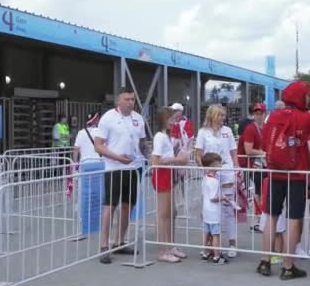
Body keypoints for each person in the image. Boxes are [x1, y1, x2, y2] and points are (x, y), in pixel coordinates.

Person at [257, 81, 310, 280]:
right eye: (307, 95)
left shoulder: (272, 116)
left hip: (275, 171)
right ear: (300, 97)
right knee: (294, 218)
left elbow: (266, 141)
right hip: (296, 174)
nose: (309, 98)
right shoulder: (305, 118)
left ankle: (265, 262)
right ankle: (288, 265)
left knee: (271, 216)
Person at [94, 87, 150, 264]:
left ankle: (120, 241)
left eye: (133, 99)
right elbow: (98, 145)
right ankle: (104, 245)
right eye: (127, 99)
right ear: (119, 100)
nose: (130, 102)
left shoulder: (138, 119)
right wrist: (118, 157)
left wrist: (151, 158)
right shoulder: (108, 118)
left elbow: (142, 143)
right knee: (110, 206)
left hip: (134, 168)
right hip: (114, 168)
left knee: (127, 206)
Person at [195, 105, 239, 257]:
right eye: (219, 115)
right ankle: (209, 245)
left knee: (228, 209)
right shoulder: (203, 132)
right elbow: (198, 155)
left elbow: (234, 152)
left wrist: (237, 170)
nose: (222, 118)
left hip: (226, 172)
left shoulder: (227, 131)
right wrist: (205, 170)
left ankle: (232, 243)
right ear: (212, 116)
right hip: (210, 175)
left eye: (223, 115)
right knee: (209, 209)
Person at [151, 107, 190, 263]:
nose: (173, 122)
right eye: (171, 120)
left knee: (171, 213)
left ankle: (170, 246)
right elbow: (156, 161)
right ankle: (162, 250)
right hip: (162, 174)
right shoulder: (160, 137)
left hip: (168, 174)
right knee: (164, 214)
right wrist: (177, 160)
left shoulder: (165, 137)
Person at [72, 112, 104, 235]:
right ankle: (98, 217)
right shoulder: (100, 132)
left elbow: (76, 150)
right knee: (99, 192)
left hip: (85, 165)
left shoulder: (81, 133)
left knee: (84, 192)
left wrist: (74, 165)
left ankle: (82, 216)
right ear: (96, 121)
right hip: (99, 164)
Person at [238, 103, 266, 232]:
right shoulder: (250, 128)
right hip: (254, 165)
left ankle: (261, 219)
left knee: (263, 193)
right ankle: (257, 221)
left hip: (264, 165)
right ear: (253, 114)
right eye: (256, 113)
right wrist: (264, 153)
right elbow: (248, 150)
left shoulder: (266, 127)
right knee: (258, 193)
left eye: (261, 113)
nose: (258, 116)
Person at [200, 152, 230, 264]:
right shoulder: (214, 181)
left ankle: (205, 252)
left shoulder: (205, 178)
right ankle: (216, 255)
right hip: (213, 211)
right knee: (215, 234)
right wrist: (223, 198)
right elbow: (213, 198)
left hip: (205, 209)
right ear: (212, 165)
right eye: (218, 163)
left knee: (205, 232)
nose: (220, 165)